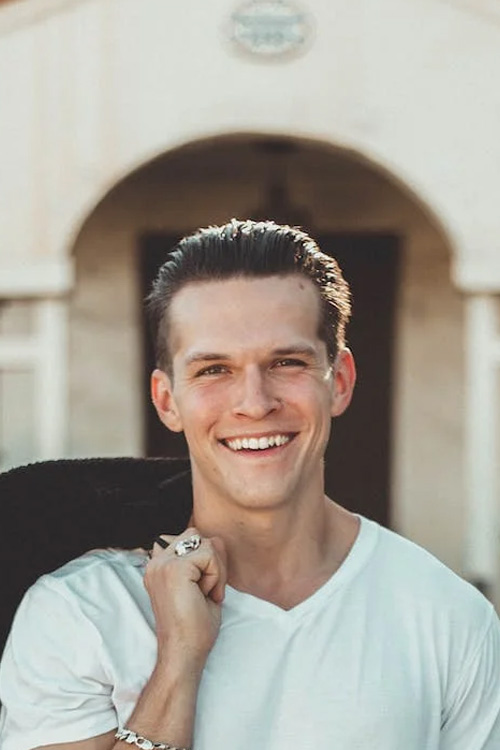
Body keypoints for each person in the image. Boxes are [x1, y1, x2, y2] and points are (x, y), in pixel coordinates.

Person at [1, 219, 499, 750]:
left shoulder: (448, 615)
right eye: (214, 370)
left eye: (286, 362)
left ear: (340, 382)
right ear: (167, 400)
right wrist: (178, 663)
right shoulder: (82, 612)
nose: (255, 403)